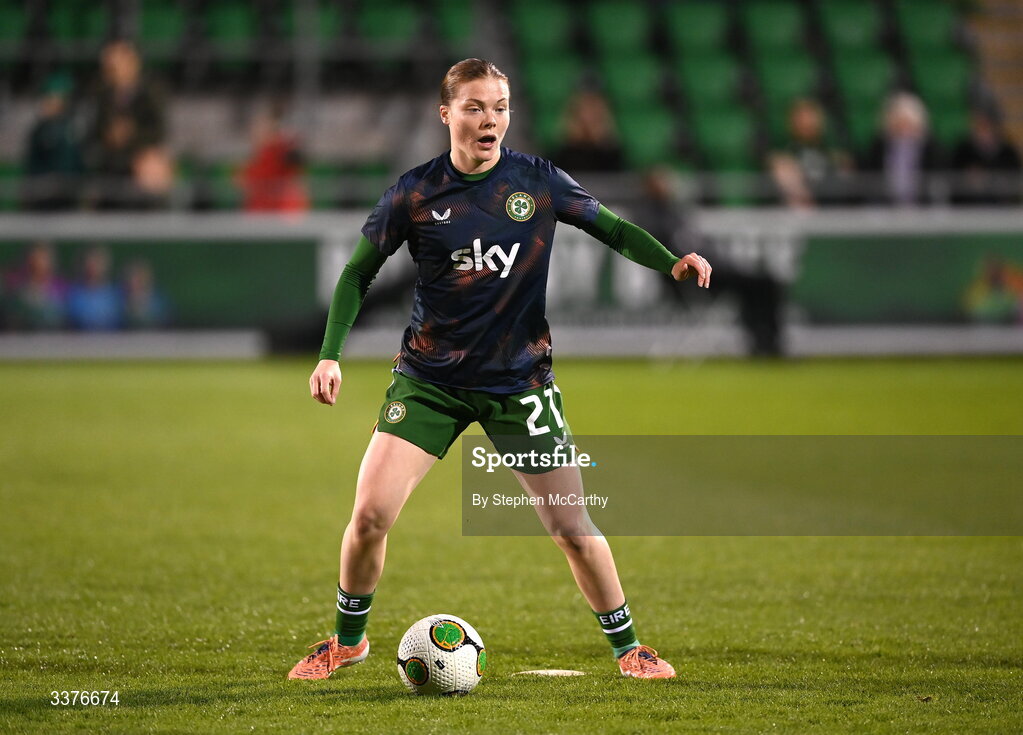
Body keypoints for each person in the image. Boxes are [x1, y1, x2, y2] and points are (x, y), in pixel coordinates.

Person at [288, 59, 711, 682]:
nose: (491, 120)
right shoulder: (414, 191)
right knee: (370, 515)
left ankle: (630, 650)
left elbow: (613, 230)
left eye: (501, 107)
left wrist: (671, 262)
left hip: (519, 384)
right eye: (476, 107)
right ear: (447, 114)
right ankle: (348, 640)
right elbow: (357, 273)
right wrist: (331, 353)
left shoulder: (536, 181)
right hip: (429, 381)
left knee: (570, 526)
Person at [767, 98, 854, 208]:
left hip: (831, 210)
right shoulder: (785, 156)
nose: (806, 122)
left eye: (810, 117)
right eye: (801, 117)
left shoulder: (834, 155)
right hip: (799, 213)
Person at [860, 92, 942, 206]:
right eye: (899, 123)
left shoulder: (930, 148)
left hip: (921, 207)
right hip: (886, 207)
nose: (904, 129)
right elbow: (869, 176)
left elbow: (936, 180)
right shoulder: (878, 146)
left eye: (908, 123)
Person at [21, 72, 84, 211]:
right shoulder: (38, 130)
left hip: (65, 199)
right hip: (41, 198)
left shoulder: (72, 128)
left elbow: (74, 167)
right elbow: (32, 167)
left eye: (52, 98)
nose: (47, 103)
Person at [238, 101, 309, 213]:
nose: (256, 129)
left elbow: (296, 161)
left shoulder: (283, 147)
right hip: (259, 213)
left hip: (282, 212)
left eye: (261, 124)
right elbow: (244, 183)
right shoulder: (257, 157)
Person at [950, 108, 1022, 205]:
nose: (983, 132)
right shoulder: (963, 151)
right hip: (969, 208)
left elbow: (1014, 179)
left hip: (1003, 208)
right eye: (979, 127)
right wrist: (967, 179)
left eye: (986, 127)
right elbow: (952, 180)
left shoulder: (1008, 152)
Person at [549, 89, 625, 173]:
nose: (589, 119)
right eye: (584, 112)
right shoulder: (561, 155)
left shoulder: (612, 155)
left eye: (594, 113)